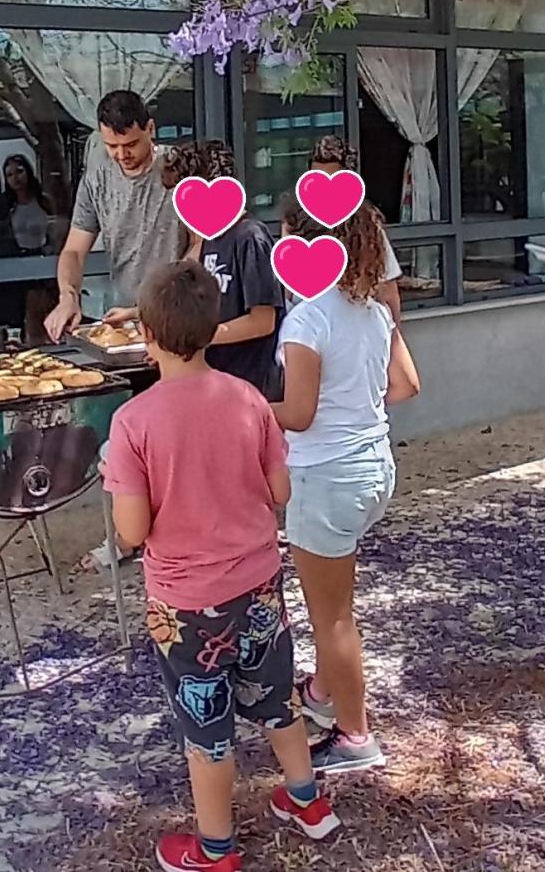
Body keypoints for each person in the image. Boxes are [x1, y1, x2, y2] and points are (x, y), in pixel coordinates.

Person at [103, 260, 341, 871]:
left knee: (206, 729)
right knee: (276, 698)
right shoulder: (250, 400)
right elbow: (280, 492)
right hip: (258, 585)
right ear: (214, 330)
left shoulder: (132, 422)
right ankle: (309, 801)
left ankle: (216, 849)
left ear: (147, 337)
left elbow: (131, 532)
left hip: (185, 605)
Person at [273, 198, 421, 774]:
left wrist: (249, 405)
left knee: (331, 617)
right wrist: (353, 405)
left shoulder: (306, 318)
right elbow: (406, 384)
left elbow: (299, 412)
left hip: (325, 476)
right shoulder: (372, 312)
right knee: (336, 603)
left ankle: (355, 735)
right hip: (373, 466)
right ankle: (321, 692)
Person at [151, 140, 285, 401]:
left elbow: (262, 321)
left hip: (250, 386)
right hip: (215, 384)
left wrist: (198, 339)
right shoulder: (209, 239)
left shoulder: (250, 238)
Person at [43, 90, 181, 343]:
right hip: (124, 320)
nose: (121, 155)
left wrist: (153, 310)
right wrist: (68, 297)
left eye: (130, 145)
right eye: (111, 146)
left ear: (150, 129)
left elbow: (200, 249)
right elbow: (73, 250)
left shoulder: (181, 169)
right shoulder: (97, 177)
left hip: (180, 318)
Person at [307, 136, 406, 322]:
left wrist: (393, 340)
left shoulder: (366, 226)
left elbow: (388, 291)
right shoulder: (297, 223)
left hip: (354, 333)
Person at [2, 154, 55, 255]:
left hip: (42, 254)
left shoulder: (43, 200)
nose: (15, 178)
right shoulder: (6, 205)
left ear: (28, 172)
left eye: (19, 171)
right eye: (10, 175)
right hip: (14, 257)